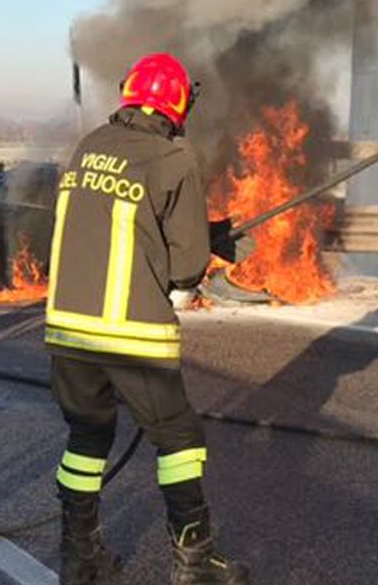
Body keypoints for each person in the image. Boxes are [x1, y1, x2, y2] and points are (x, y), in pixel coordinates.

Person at [44, 52, 250, 585]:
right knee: (179, 440)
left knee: (88, 437)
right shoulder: (173, 158)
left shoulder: (88, 146)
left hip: (66, 331)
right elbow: (186, 267)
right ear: (177, 104)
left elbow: (120, 221)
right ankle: (195, 562)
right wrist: (204, 246)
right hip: (130, 334)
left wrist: (195, 235)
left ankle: (79, 558)